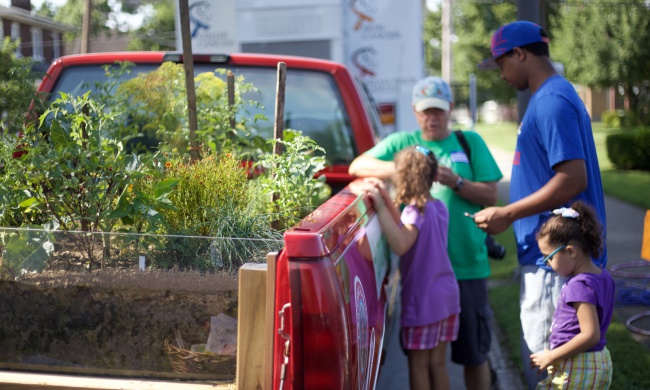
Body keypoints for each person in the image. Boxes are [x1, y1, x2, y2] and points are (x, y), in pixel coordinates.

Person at [474, 20, 608, 389]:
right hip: (551, 259)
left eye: (501, 64)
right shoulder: (551, 96)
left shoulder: (550, 101)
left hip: (555, 264)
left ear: (520, 53)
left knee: (552, 376)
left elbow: (572, 178)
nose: (501, 74)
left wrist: (507, 213)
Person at [349, 76, 503, 390]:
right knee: (436, 362)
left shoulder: (468, 141)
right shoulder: (402, 145)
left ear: (449, 109)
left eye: (438, 111)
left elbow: (491, 196)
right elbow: (357, 166)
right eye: (425, 111)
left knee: (473, 354)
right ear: (415, 112)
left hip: (463, 269)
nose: (432, 117)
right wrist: (405, 169)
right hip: (435, 283)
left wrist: (456, 182)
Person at [352, 146, 460, 390]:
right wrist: (387, 200)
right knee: (437, 364)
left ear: (401, 177)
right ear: (434, 177)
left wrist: (379, 207)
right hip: (446, 296)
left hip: (424, 301)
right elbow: (404, 225)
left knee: (419, 366)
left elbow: (401, 243)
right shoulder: (438, 207)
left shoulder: (415, 212)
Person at [531, 201, 614, 389]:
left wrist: (552, 355)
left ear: (570, 252)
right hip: (594, 360)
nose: (548, 263)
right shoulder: (603, 276)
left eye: (549, 257)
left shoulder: (579, 286)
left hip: (578, 364)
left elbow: (591, 334)